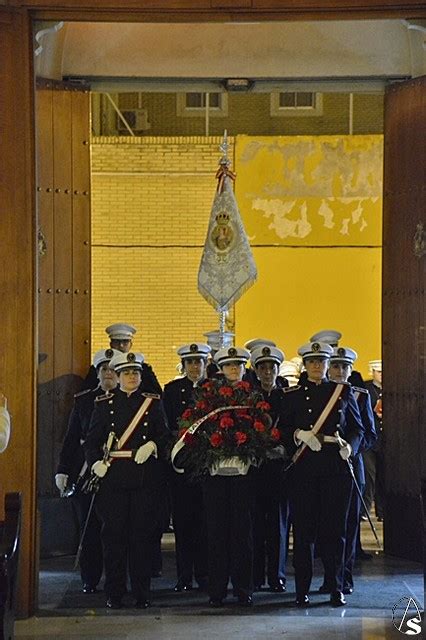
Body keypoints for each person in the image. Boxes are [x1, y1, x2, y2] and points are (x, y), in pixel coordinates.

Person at [279, 341, 364, 607]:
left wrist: (350, 447)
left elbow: (357, 428)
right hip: (304, 468)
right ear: (305, 365)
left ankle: (335, 587)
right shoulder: (292, 395)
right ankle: (301, 589)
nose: (317, 366)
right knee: (303, 532)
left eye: (321, 362)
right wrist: (297, 434)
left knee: (335, 531)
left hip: (335, 468)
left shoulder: (342, 392)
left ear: (328, 365)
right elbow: (281, 430)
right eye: (312, 362)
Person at [84, 351, 171, 609]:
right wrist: (96, 463)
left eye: (136, 373)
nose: (132, 377)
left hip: (144, 480)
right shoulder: (103, 403)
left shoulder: (152, 403)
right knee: (113, 538)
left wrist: (153, 445)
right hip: (113, 479)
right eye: (127, 373)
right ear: (118, 375)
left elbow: (165, 436)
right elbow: (91, 441)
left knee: (141, 538)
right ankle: (114, 591)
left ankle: (142, 592)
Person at [55, 348, 119, 593]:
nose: (109, 374)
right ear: (98, 372)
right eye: (104, 369)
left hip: (116, 472)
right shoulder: (84, 400)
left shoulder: (127, 400)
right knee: (89, 527)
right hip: (86, 474)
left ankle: (116, 579)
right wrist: (63, 470)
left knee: (115, 529)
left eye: (113, 369)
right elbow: (71, 439)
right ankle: (90, 578)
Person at [320, 346, 377, 595]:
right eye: (335, 366)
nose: (340, 371)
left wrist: (351, 448)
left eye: (344, 367)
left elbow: (369, 434)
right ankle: (329, 578)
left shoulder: (360, 396)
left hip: (352, 468)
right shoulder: (320, 395)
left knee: (348, 527)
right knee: (327, 526)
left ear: (350, 370)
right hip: (324, 469)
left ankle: (344, 578)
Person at [163, 343, 211, 592]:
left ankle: (203, 574)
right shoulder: (171, 391)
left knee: (204, 524)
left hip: (205, 466)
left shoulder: (214, 391)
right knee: (182, 524)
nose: (194, 366)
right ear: (183, 366)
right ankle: (183, 576)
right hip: (180, 467)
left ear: (205, 365)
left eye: (199, 362)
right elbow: (166, 425)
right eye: (190, 362)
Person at [250, 345, 289, 593]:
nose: (267, 372)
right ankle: (255, 576)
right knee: (255, 525)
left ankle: (277, 576)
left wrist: (283, 448)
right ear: (255, 371)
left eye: (271, 368)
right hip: (255, 468)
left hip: (279, 469)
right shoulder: (249, 399)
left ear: (278, 370)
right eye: (262, 368)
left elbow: (293, 424)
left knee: (278, 525)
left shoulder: (286, 397)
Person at [82, 323, 162, 395]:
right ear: (111, 344)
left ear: (131, 345)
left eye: (125, 342)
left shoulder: (143, 368)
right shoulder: (99, 368)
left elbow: (156, 394)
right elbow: (88, 394)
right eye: (117, 342)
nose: (121, 345)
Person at [364, 359, 384, 520]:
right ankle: (365, 510)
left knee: (384, 476)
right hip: (371, 439)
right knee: (369, 476)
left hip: (386, 440)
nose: (382, 375)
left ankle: (382, 511)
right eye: (378, 372)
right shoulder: (367, 389)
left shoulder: (393, 388)